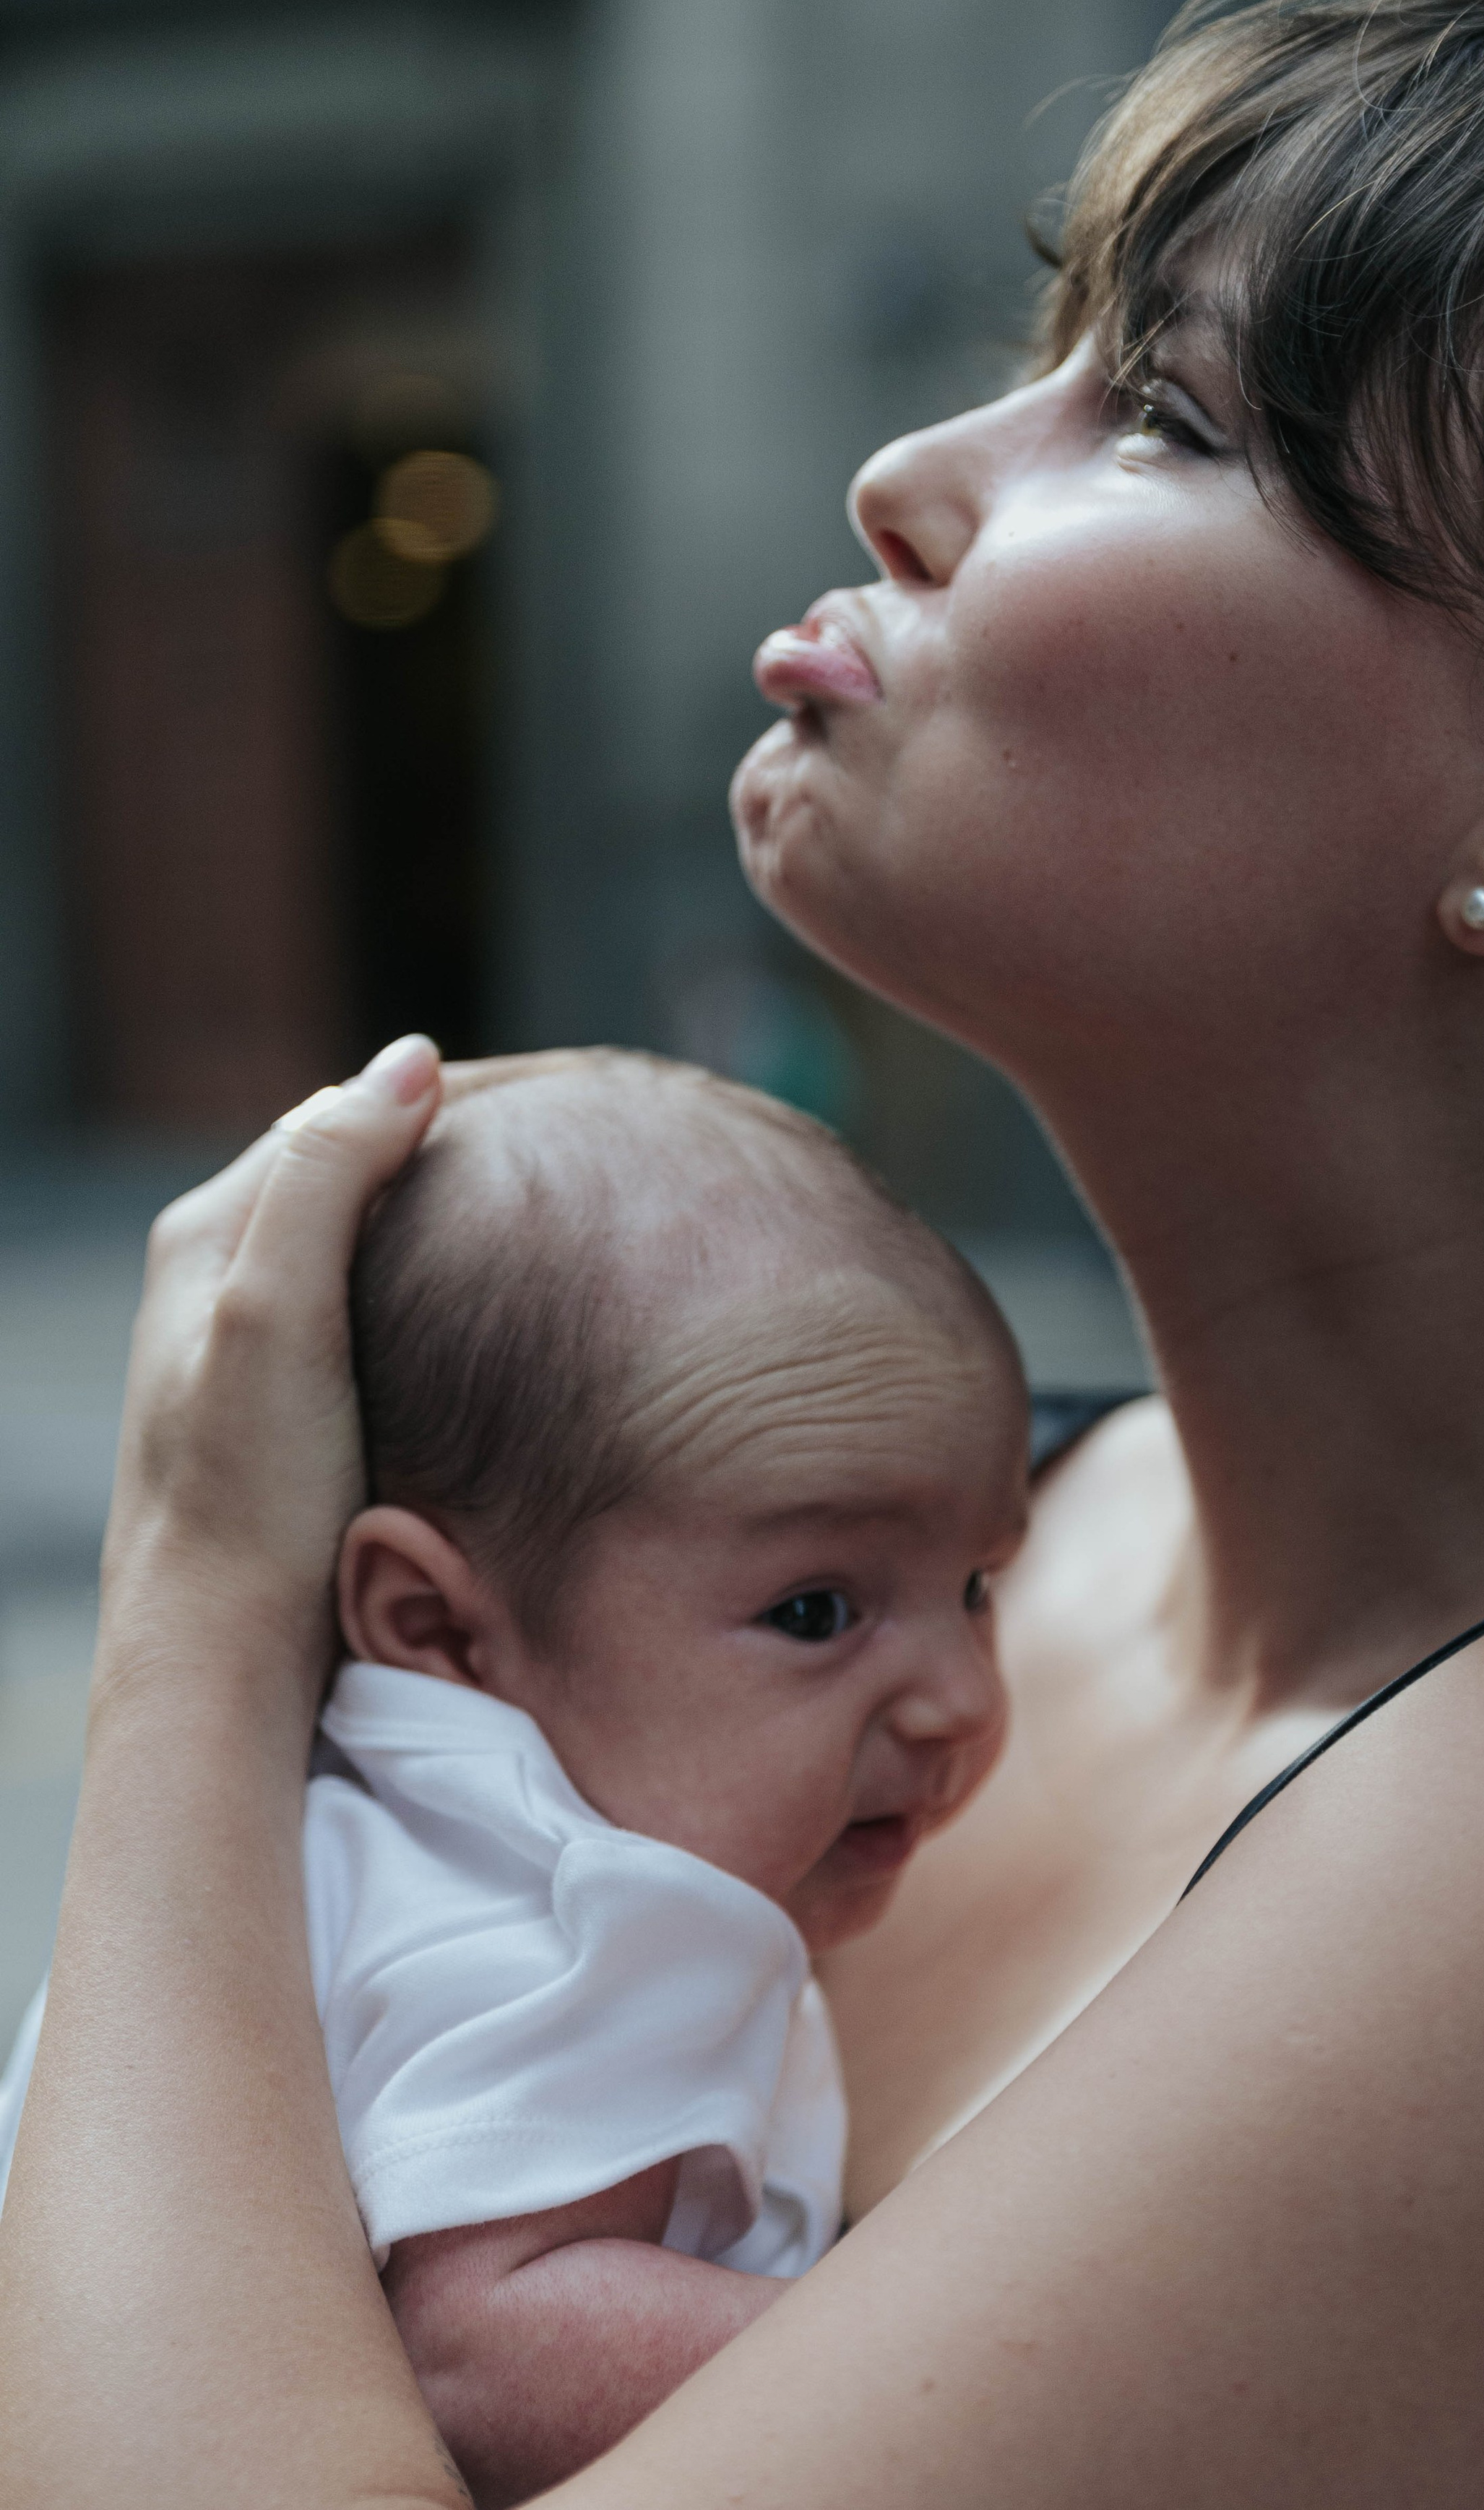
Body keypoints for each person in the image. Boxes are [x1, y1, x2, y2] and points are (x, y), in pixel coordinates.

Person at [9, 0, 1484, 2508]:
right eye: (1043, 356)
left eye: (1178, 422)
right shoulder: (987, 1537)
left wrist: (196, 1609)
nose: (906, 478)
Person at [0, 1046, 1024, 2505]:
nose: (961, 1698)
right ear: (435, 1630)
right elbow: (488, 2351)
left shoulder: (336, 1832)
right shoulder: (573, 1905)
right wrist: (983, 2369)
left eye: (980, 1585)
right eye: (814, 1612)